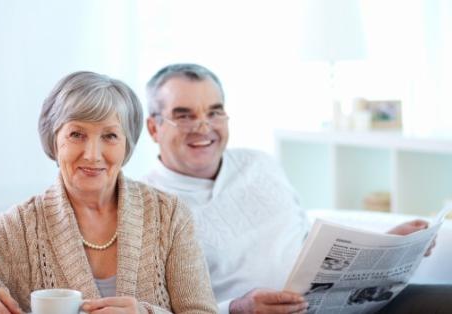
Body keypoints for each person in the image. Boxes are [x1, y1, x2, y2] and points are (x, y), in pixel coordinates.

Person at [0, 71, 218, 314]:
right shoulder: (22, 226)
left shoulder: (168, 214)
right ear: (53, 140)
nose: (92, 154)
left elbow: (202, 311)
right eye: (77, 134)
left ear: (128, 144)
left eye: (109, 136)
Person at [142, 63, 448, 314]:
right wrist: (235, 308)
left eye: (214, 112)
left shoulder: (259, 164)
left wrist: (387, 243)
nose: (204, 127)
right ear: (154, 128)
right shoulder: (146, 206)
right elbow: (152, 308)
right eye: (184, 116)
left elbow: (307, 241)